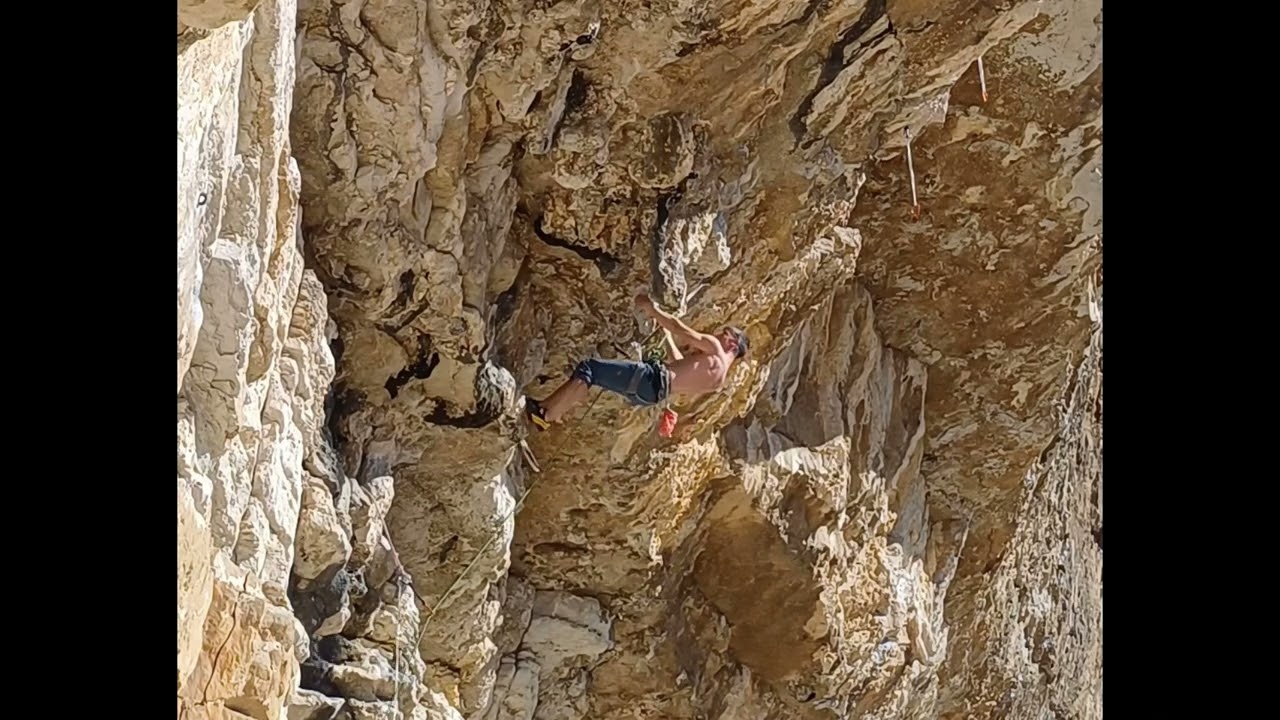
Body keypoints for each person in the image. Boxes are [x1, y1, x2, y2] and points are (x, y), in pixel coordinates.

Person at [525, 292, 748, 430]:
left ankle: (547, 414)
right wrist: (667, 338)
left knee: (589, 368)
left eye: (722, 334)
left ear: (731, 344)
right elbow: (680, 366)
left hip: (648, 378)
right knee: (593, 375)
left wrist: (652, 309)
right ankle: (559, 408)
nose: (717, 335)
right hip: (649, 395)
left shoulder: (717, 349)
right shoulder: (717, 382)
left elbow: (682, 329)